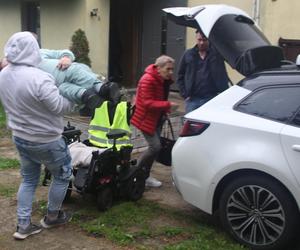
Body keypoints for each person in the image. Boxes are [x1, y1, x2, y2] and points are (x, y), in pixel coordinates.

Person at [0, 31, 74, 240]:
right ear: (33, 49)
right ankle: (52, 217)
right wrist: (76, 98)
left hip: (20, 137)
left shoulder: (4, 74)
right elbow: (60, 107)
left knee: (29, 180)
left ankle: (23, 225)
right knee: (62, 175)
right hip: (47, 140)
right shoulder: (40, 78)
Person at [131, 55, 178, 188]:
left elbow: (160, 96)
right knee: (155, 147)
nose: (171, 72)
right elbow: (147, 103)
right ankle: (136, 172)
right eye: (168, 69)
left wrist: (164, 112)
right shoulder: (148, 79)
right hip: (145, 119)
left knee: (155, 149)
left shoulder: (163, 80)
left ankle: (145, 176)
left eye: (172, 69)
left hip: (156, 118)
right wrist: (167, 105)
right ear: (158, 68)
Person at [177, 29, 229, 113]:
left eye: (204, 40)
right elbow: (180, 75)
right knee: (190, 123)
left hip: (211, 98)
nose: (201, 43)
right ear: (196, 39)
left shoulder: (216, 55)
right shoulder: (188, 54)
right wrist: (184, 94)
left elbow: (223, 73)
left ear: (209, 40)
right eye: (199, 40)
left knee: (210, 124)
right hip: (192, 99)